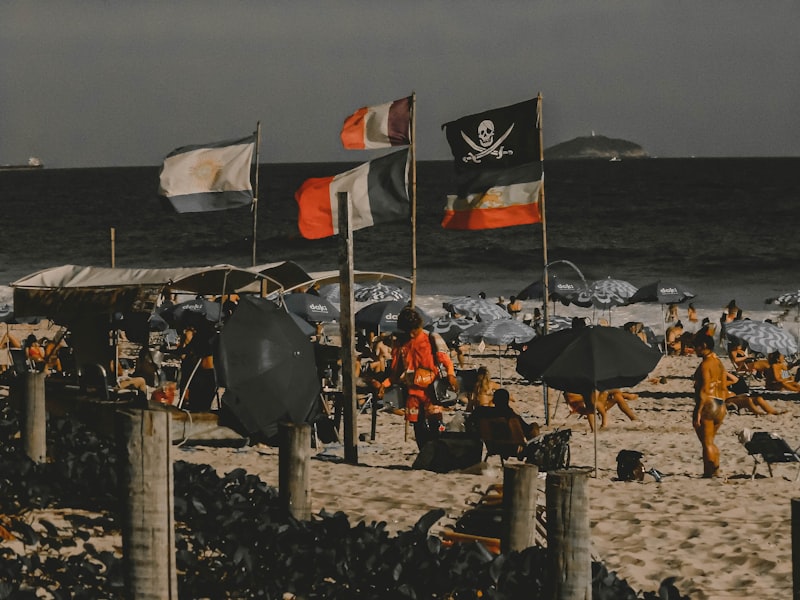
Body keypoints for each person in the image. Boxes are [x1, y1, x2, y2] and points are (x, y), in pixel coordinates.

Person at [383, 307, 458, 449]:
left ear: (419, 326)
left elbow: (446, 361)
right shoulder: (400, 343)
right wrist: (384, 385)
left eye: (414, 330)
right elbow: (396, 372)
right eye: (408, 331)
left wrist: (451, 376)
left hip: (432, 392)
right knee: (418, 427)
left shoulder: (431, 338)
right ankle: (424, 453)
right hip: (412, 394)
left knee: (436, 426)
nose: (411, 334)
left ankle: (436, 454)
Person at [692, 334, 727, 478]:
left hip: (708, 404)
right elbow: (724, 385)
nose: (694, 349)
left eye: (696, 346)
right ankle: (715, 469)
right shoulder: (718, 362)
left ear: (704, 346)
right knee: (711, 441)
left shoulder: (705, 364)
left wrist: (698, 411)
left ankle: (709, 472)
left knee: (707, 443)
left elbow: (705, 389)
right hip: (720, 403)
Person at [468, 388, 539, 440]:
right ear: (507, 401)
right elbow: (528, 431)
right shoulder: (513, 417)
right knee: (534, 426)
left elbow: (470, 420)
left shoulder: (482, 411)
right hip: (513, 447)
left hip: (492, 445)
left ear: (494, 401)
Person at [565, 389, 638, 431]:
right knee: (602, 392)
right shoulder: (573, 386)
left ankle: (633, 418)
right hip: (584, 406)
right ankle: (625, 395)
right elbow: (583, 399)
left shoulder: (574, 383)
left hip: (591, 403)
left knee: (617, 396)